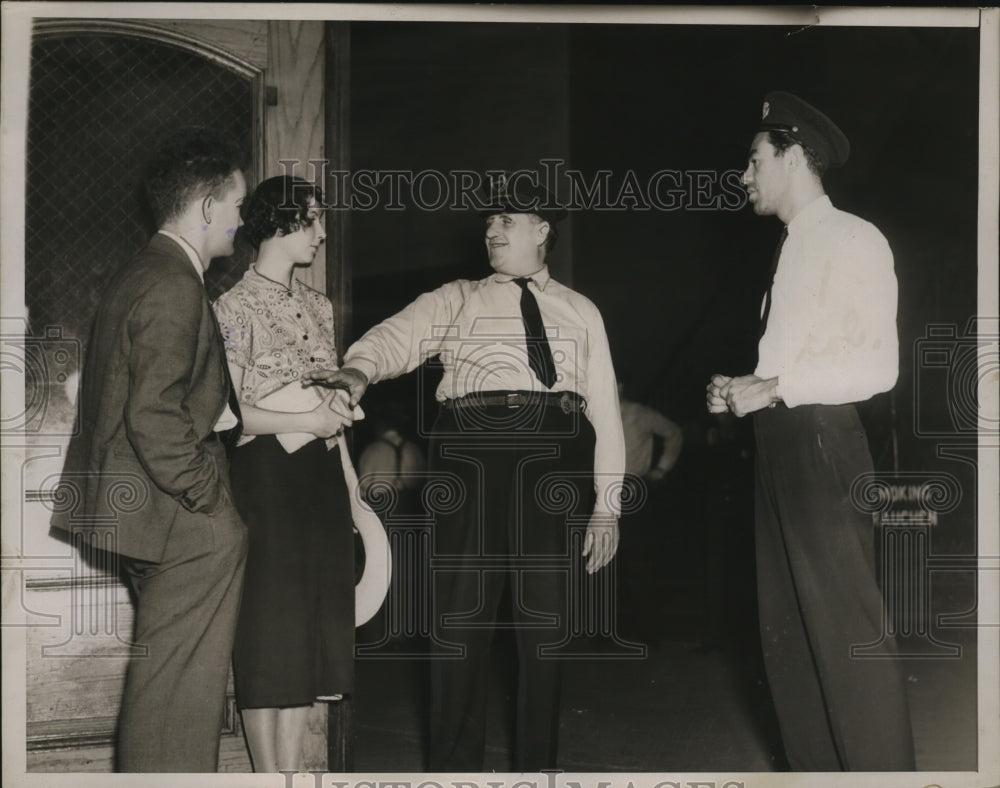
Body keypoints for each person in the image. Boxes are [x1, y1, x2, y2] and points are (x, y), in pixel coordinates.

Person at [305, 174, 626, 771]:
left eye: (506, 221)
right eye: (488, 224)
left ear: (542, 230)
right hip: (470, 452)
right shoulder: (456, 297)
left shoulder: (581, 310)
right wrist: (359, 369)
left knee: (545, 629)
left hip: (553, 455)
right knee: (459, 621)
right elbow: (394, 337)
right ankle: (455, 775)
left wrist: (607, 505)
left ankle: (538, 772)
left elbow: (605, 407)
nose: (492, 231)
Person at [706, 91, 915, 770]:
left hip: (823, 445)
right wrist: (746, 389)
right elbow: (798, 362)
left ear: (793, 157)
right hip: (780, 447)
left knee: (845, 638)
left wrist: (776, 387)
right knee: (789, 647)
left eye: (753, 160)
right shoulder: (791, 251)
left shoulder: (851, 238)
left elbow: (876, 366)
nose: (744, 175)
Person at [51, 127, 249, 772]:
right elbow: (154, 414)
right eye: (238, 206)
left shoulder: (142, 271)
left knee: (164, 686)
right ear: (208, 207)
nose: (240, 222)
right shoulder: (174, 283)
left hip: (147, 517)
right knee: (179, 694)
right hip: (179, 518)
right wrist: (209, 501)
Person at [212, 175, 356, 773]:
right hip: (266, 478)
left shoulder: (319, 306)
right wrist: (315, 423)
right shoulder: (231, 306)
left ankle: (294, 772)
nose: (322, 233)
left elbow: (333, 410)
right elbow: (230, 414)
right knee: (270, 630)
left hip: (321, 478)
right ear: (278, 224)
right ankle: (266, 778)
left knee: (312, 632)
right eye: (313, 220)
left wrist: (349, 482)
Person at [614, 379, 682, 644]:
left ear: (621, 385)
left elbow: (674, 433)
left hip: (631, 487)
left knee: (637, 560)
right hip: (600, 488)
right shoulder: (593, 412)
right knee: (603, 562)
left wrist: (662, 468)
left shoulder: (639, 414)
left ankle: (649, 632)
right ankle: (607, 631)